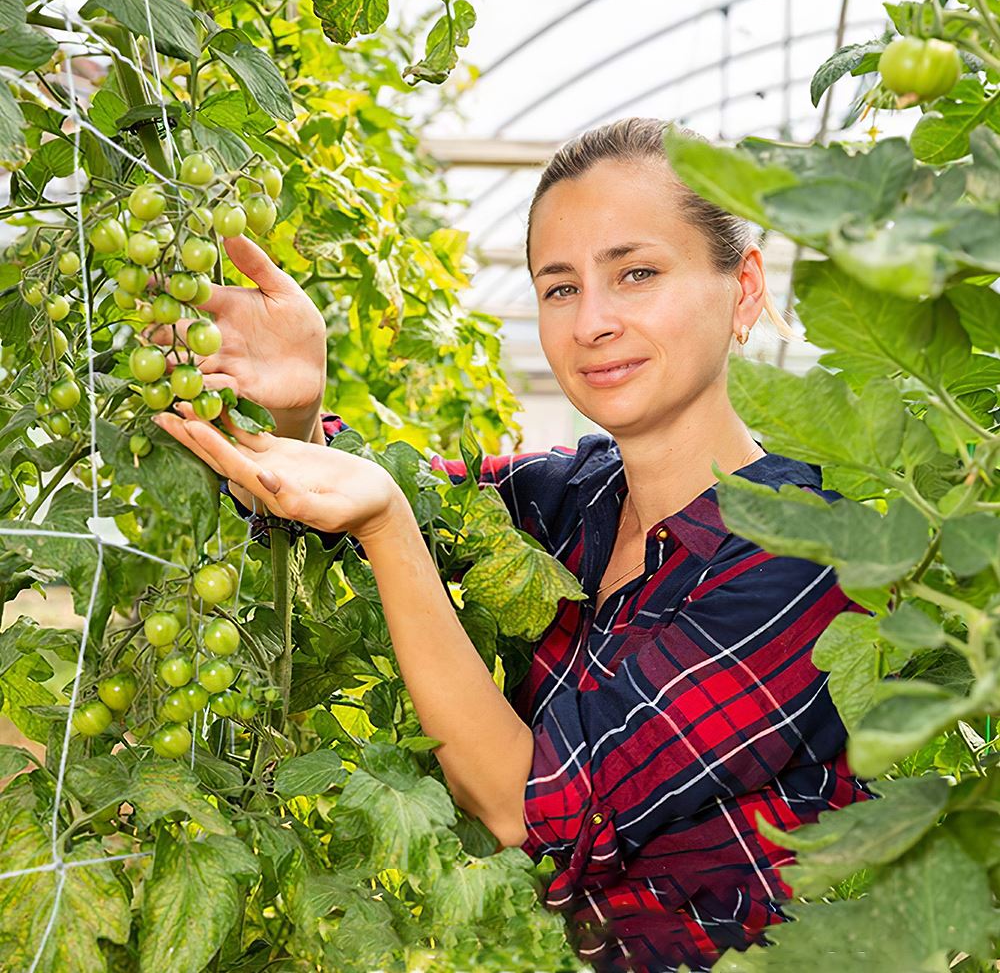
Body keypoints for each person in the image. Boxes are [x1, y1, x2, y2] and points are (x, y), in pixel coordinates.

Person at [153, 117, 872, 973]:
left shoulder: (807, 558)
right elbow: (388, 491)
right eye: (559, 287)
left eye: (636, 273)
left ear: (744, 290)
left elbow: (530, 809)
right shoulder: (576, 496)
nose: (592, 322)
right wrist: (298, 408)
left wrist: (388, 527)